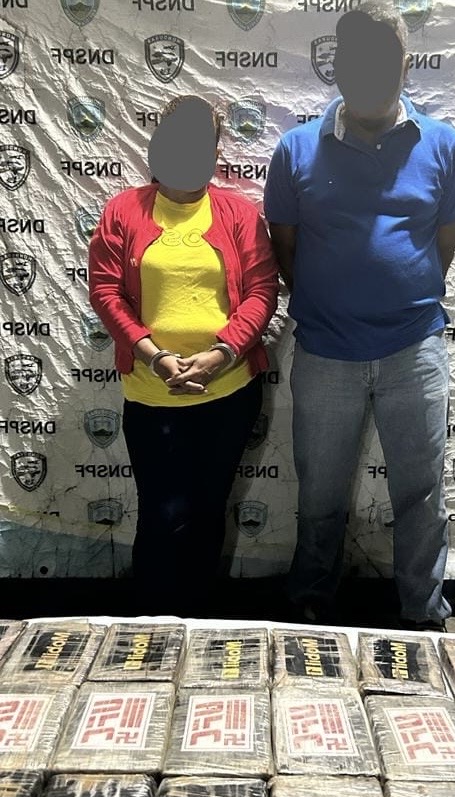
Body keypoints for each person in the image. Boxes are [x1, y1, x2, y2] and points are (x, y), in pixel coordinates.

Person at [264, 6, 455, 630]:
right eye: (355, 57)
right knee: (320, 494)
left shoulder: (444, 145)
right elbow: (285, 248)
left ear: (405, 65)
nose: (368, 70)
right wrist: (335, 300)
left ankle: (423, 613)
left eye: (382, 57)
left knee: (422, 495)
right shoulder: (296, 149)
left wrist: (398, 293)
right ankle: (312, 603)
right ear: (336, 65)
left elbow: (444, 242)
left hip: (415, 349)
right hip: (326, 351)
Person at [89, 95, 278, 603]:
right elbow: (105, 292)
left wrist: (221, 354)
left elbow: (262, 292)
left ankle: (198, 622)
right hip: (152, 393)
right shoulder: (123, 211)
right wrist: (153, 355)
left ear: (215, 152)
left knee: (208, 512)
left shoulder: (240, 214)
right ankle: (152, 625)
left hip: (229, 392)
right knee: (160, 515)